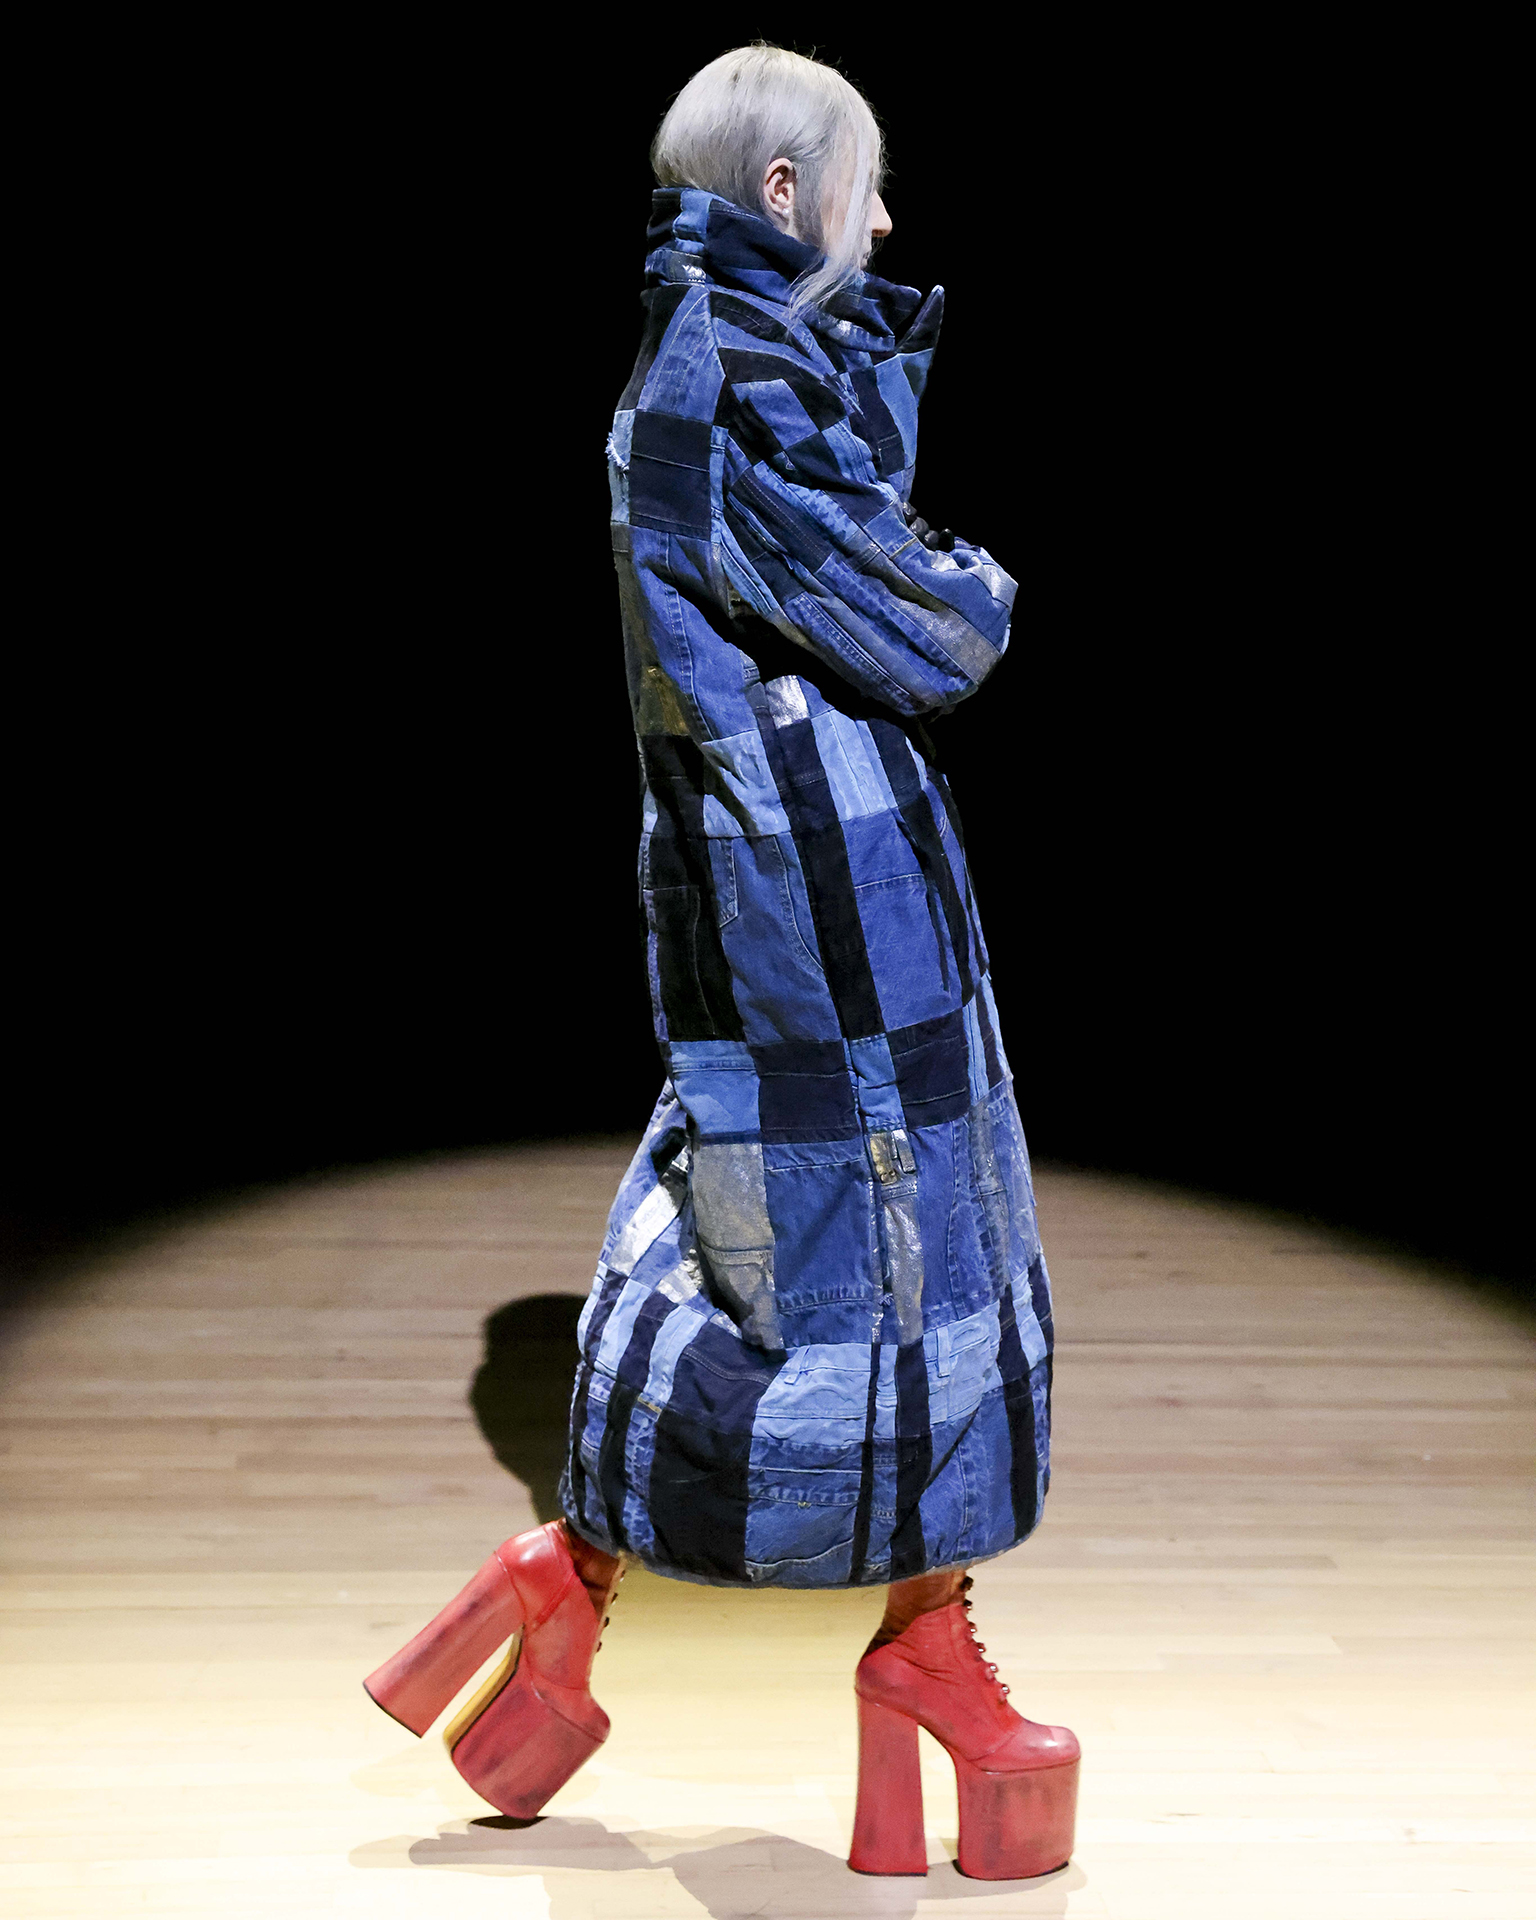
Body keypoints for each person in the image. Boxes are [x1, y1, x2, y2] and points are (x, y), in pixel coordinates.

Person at [365, 44, 1078, 1882]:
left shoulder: (737, 357)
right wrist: (980, 584)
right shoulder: (732, 375)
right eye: (864, 184)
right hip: (815, 884)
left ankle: (589, 1590)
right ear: (781, 195)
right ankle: (908, 1651)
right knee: (883, 1248)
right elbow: (928, 628)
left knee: (781, 1223)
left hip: (803, 866)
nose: (885, 222)